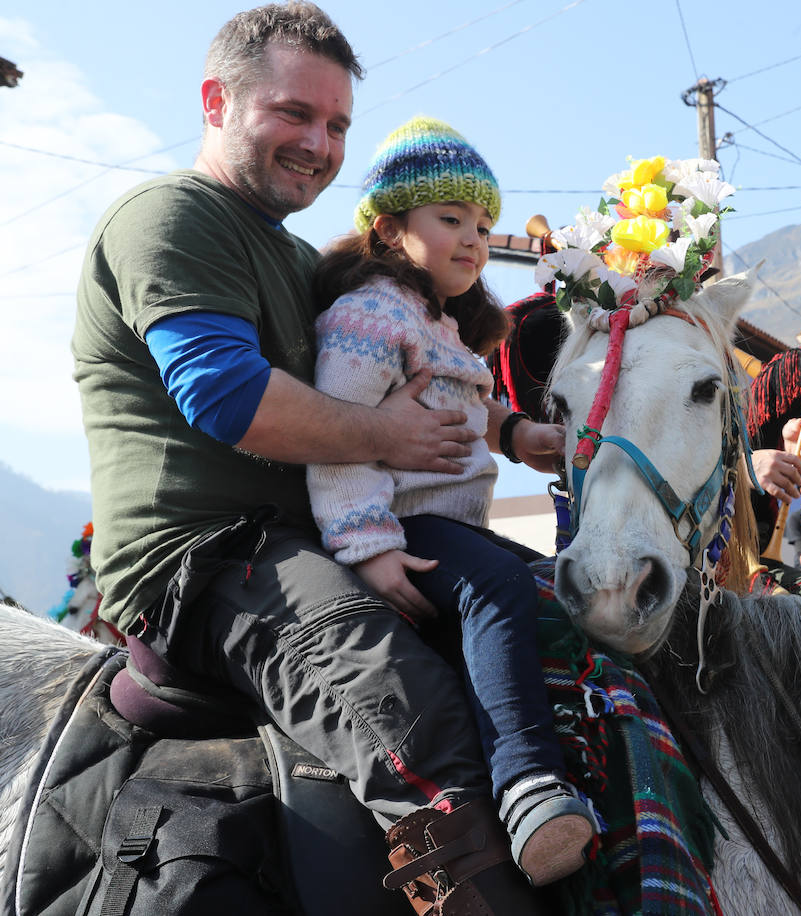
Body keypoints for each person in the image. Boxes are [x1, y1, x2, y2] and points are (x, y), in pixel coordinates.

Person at [72, 6, 552, 912]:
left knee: (551, 619)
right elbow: (226, 396)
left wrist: (519, 433)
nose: (319, 144)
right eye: (294, 113)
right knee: (410, 711)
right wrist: (387, 438)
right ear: (217, 100)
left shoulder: (305, 261)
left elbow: (430, 373)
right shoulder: (169, 217)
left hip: (317, 536)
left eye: (336, 125)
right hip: (206, 556)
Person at [307, 116, 594, 885]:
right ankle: (527, 785)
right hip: (403, 520)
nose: (474, 238)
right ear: (390, 228)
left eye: (482, 224)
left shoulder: (440, 325)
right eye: (451, 219)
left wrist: (518, 433)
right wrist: (370, 547)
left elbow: (471, 408)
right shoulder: (368, 317)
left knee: (545, 584)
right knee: (497, 587)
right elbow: (342, 438)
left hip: (450, 518)